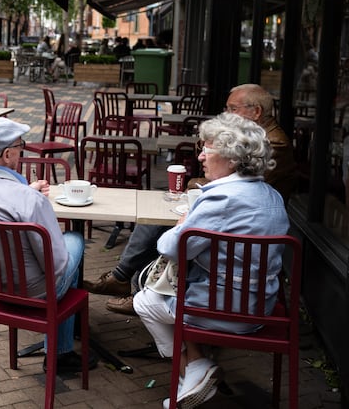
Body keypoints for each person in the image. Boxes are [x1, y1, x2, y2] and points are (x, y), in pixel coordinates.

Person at [84, 83, 295, 315]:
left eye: (232, 109)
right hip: (252, 283)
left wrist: (194, 192)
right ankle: (129, 279)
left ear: (255, 112)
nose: (226, 115)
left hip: (240, 236)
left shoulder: (271, 145)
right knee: (160, 215)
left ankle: (143, 292)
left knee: (169, 234)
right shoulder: (258, 178)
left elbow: (173, 248)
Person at [133, 113, 289, 408]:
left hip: (223, 310)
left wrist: (182, 223)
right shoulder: (272, 196)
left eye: (207, 148)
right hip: (260, 306)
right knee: (174, 292)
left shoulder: (221, 198)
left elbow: (170, 248)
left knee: (145, 301)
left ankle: (193, 373)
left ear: (231, 159)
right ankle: (195, 371)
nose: (201, 155)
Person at [0, 117, 95, 374]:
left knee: (61, 248)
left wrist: (24, 189)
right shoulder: (30, 201)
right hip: (36, 292)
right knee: (74, 239)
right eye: (21, 146)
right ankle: (60, 352)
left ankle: (60, 348)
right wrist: (28, 195)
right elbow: (57, 265)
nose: (22, 151)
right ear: (7, 154)